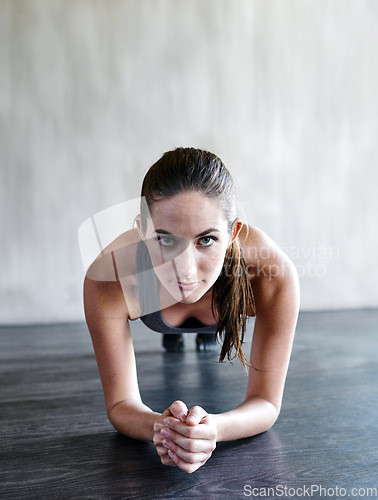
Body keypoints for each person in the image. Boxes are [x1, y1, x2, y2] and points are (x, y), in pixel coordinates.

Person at [83, 147, 300, 474]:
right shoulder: (110, 276)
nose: (184, 270)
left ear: (233, 234)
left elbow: (267, 403)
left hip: (226, 297)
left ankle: (209, 332)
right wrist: (163, 429)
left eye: (207, 240)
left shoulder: (272, 274)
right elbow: (119, 404)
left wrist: (211, 429)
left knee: (211, 326)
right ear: (142, 230)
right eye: (165, 240)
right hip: (154, 300)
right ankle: (175, 336)